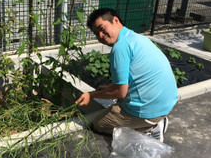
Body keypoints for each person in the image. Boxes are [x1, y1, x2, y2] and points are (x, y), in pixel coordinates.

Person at [75, 8, 178, 142]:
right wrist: (106, 89)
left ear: (115, 20)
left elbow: (120, 92)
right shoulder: (136, 37)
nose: (100, 35)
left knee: (98, 124)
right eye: (96, 33)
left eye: (102, 28)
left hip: (148, 111)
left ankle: (150, 128)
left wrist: (91, 95)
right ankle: (150, 121)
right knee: (113, 98)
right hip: (166, 104)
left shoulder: (120, 47)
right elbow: (130, 81)